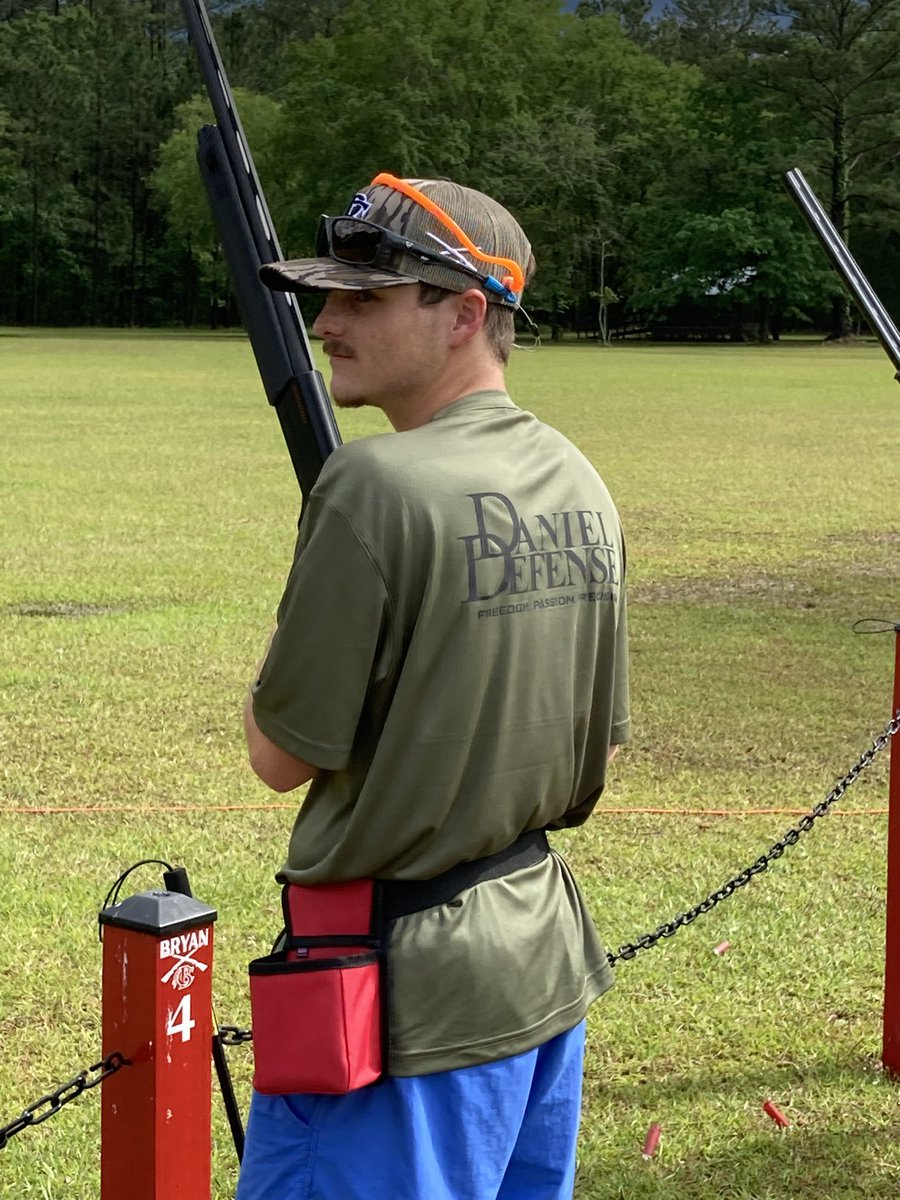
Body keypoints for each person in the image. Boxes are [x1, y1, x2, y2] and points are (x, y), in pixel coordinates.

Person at [237, 172, 630, 1200]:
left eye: (366, 298)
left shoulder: (371, 486)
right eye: (326, 298)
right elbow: (604, 741)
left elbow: (281, 755)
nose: (327, 321)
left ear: (465, 313)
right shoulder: (578, 476)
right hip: (536, 962)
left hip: (395, 1005)